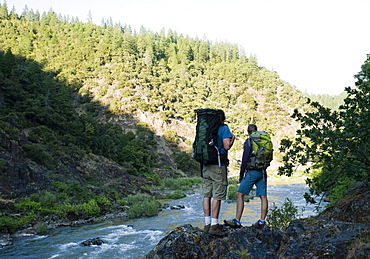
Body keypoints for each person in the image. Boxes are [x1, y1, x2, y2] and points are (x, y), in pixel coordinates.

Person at [224, 123, 269, 230]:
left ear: (248, 132)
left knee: (240, 195)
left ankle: (237, 220)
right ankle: (262, 221)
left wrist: (241, 175)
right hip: (262, 171)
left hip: (252, 172)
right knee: (263, 196)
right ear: (256, 130)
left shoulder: (249, 142)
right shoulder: (263, 141)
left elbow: (244, 160)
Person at [201, 110, 235, 236]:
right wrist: (233, 140)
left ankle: (207, 224)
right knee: (217, 195)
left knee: (207, 195)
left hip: (206, 165)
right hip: (218, 165)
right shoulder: (223, 128)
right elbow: (226, 146)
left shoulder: (206, 128)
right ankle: (214, 225)